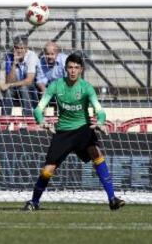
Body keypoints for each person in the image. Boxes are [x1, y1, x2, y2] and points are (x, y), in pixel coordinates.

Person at [23, 52, 125, 211]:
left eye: (76, 68)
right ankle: (34, 202)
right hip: (63, 132)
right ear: (65, 69)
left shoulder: (86, 88)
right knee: (47, 170)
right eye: (70, 67)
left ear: (81, 70)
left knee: (95, 152)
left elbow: (100, 110)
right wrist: (42, 122)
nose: (73, 71)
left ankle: (112, 198)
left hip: (83, 129)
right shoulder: (56, 85)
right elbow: (38, 109)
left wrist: (100, 122)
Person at [0, 35, 40, 116]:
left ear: (26, 48)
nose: (19, 51)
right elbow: (9, 81)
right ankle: (4, 122)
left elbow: (29, 81)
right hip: (16, 87)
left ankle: (28, 119)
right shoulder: (9, 57)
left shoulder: (32, 56)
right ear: (14, 48)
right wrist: (14, 63)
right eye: (17, 48)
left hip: (33, 89)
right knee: (8, 91)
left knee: (23, 87)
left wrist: (10, 84)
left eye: (22, 48)